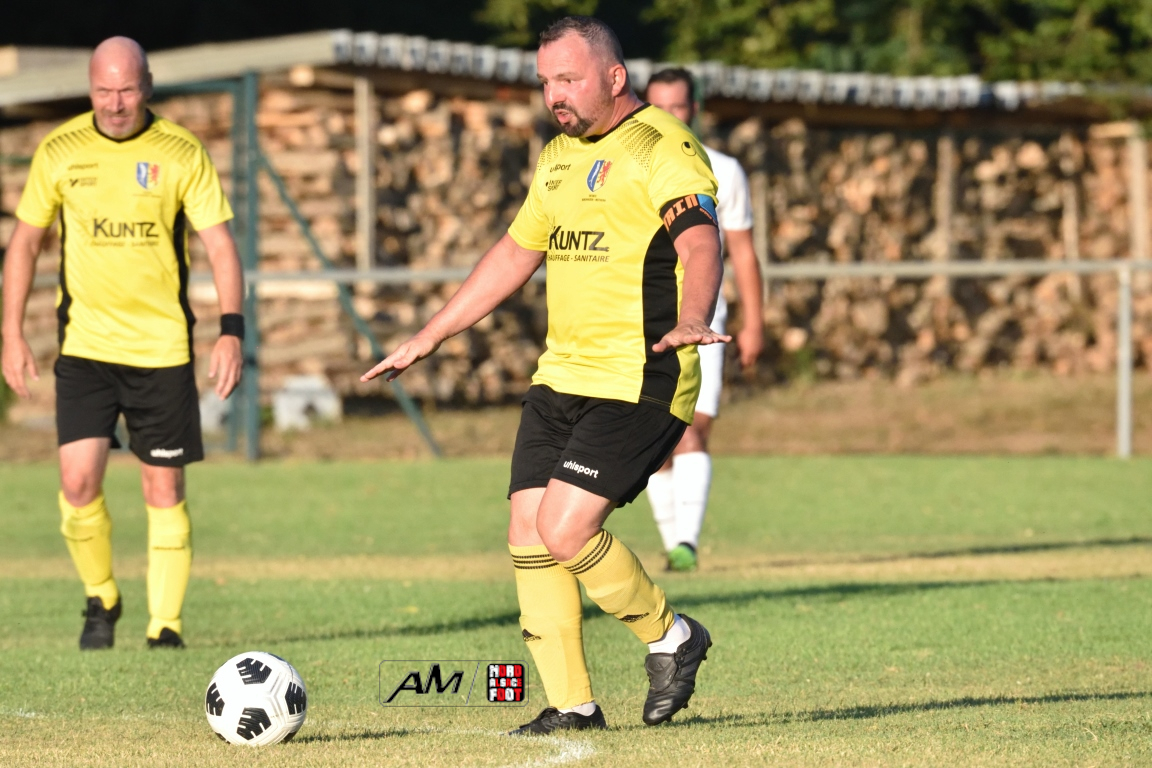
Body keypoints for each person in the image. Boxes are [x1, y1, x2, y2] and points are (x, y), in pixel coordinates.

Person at [362, 16, 725, 734]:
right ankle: (572, 704)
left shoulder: (664, 145)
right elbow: (514, 252)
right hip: (561, 375)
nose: (554, 94)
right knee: (528, 531)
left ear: (615, 77)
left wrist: (693, 314)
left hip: (638, 377)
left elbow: (700, 240)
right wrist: (430, 335)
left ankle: (672, 637)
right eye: (545, 82)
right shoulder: (558, 157)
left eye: (568, 79)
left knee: (564, 528)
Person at [1, 37, 243, 650]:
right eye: (104, 90)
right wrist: (10, 333)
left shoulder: (181, 151)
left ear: (148, 86)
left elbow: (220, 246)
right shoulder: (59, 150)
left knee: (163, 488)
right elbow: (24, 243)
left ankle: (166, 628)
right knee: (78, 483)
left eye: (127, 90)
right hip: (85, 349)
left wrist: (231, 331)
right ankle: (101, 597)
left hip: (162, 350)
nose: (114, 103)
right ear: (89, 88)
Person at [643, 68, 765, 572]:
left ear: (693, 109)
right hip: (644, 322)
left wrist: (754, 323)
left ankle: (686, 546)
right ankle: (673, 541)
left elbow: (744, 253)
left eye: (678, 106)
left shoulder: (724, 170)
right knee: (655, 436)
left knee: (692, 430)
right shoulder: (632, 166)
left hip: (705, 322)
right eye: (659, 107)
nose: (669, 116)